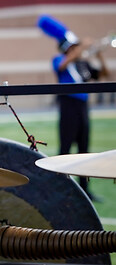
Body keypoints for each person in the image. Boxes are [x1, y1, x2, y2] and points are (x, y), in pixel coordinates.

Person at [38, 15, 110, 201]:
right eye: (73, 47)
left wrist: (99, 54)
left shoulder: (82, 64)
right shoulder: (58, 59)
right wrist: (82, 48)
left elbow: (104, 74)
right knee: (65, 149)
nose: (77, 49)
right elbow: (63, 65)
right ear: (67, 48)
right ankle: (60, 189)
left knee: (85, 151)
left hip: (83, 108)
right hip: (68, 107)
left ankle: (85, 190)